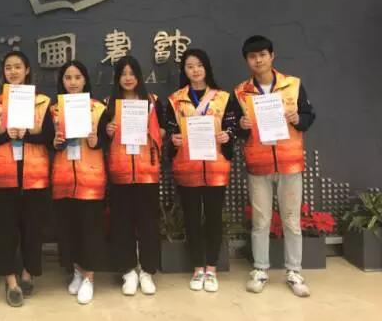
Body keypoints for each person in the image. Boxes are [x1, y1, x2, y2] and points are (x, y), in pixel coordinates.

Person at [234, 36, 315, 297]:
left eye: (262, 55)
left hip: (290, 164)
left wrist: (297, 118)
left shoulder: (293, 84)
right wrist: (241, 126)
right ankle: (260, 269)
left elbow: (308, 116)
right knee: (260, 221)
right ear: (246, 61)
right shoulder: (241, 92)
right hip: (258, 165)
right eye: (252, 56)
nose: (258, 60)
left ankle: (294, 271)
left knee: (291, 219)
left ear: (272, 56)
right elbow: (236, 129)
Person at [0, 51, 54, 307]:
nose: (13, 72)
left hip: (35, 176)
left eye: (17, 67)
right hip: (4, 176)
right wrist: (6, 133)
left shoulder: (42, 102)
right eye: (8, 67)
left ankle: (27, 273)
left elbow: (48, 136)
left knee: (32, 229)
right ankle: (11, 281)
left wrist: (26, 134)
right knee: (4, 231)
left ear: (27, 70)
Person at [166, 49, 240, 292]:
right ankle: (197, 268)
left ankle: (212, 268)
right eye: (190, 66)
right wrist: (173, 140)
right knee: (192, 219)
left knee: (213, 218)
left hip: (216, 167)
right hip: (187, 168)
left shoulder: (223, 98)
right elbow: (170, 130)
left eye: (199, 65)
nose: (195, 70)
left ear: (206, 67)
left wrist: (227, 135)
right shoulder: (175, 100)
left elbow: (232, 127)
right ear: (184, 71)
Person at [105, 55, 166, 296]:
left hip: (147, 172)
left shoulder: (152, 102)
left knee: (148, 223)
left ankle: (147, 271)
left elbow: (164, 131)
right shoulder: (109, 104)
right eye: (123, 74)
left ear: (139, 76)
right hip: (120, 172)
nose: (128, 78)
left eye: (132, 73)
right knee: (122, 224)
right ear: (117, 78)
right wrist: (108, 129)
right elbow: (102, 139)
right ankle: (128, 271)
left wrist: (154, 130)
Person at [50, 60, 109, 304]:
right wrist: (54, 142)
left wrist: (96, 141)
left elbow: (107, 140)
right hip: (63, 177)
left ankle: (89, 278)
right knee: (69, 229)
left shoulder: (99, 108)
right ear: (62, 81)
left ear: (85, 80)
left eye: (77, 77)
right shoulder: (54, 110)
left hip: (90, 178)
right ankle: (76, 270)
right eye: (68, 78)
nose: (72, 82)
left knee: (90, 230)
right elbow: (48, 144)